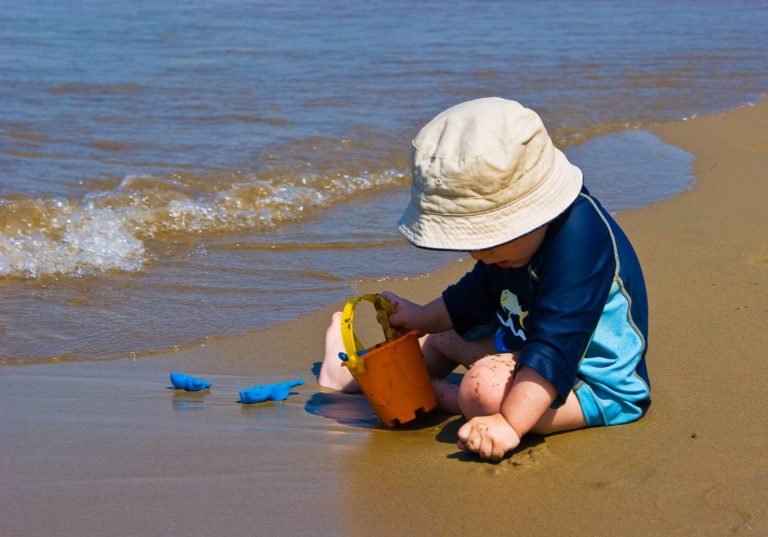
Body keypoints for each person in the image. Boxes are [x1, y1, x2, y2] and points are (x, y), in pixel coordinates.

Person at [319, 97, 650, 462]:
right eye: (471, 243)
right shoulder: (514, 246)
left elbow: (557, 343)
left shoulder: (581, 241)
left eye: (486, 241)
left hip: (592, 385)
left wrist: (509, 423)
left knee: (483, 389)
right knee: (440, 337)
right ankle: (350, 379)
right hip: (526, 345)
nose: (478, 255)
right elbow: (479, 292)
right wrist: (423, 316)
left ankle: (440, 394)